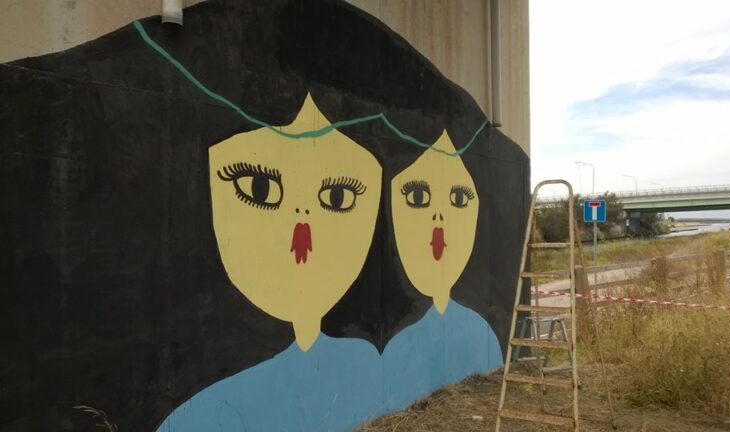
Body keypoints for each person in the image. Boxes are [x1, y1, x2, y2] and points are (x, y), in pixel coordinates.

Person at [0, 0, 529, 430]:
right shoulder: (202, 407)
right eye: (258, 186)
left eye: (339, 196)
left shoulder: (399, 355)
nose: (303, 231)